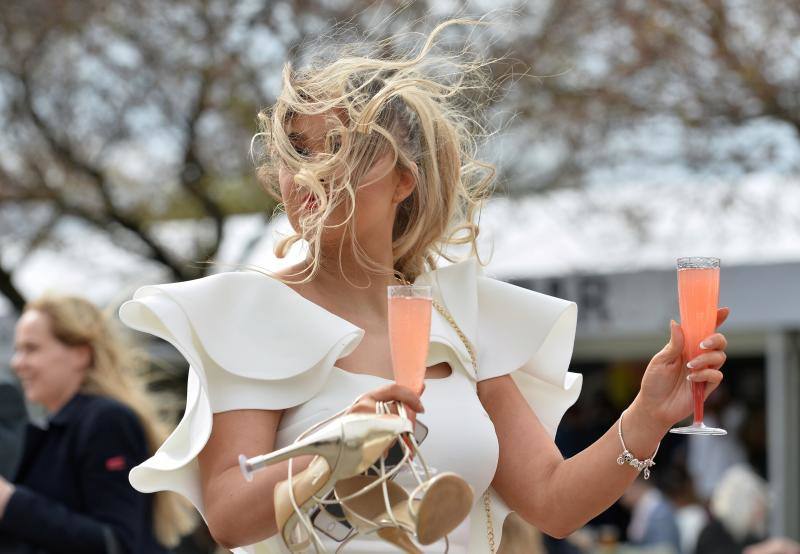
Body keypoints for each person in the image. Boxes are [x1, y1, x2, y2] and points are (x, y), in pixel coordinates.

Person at [118, 19, 730, 553]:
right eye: (295, 151)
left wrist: (649, 415)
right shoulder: (251, 312)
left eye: (341, 149)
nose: (311, 172)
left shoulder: (461, 315)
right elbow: (227, 517)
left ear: (404, 181)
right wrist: (332, 451)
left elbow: (553, 502)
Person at [0, 295, 196, 553]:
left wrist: (10, 502)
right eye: (18, 349)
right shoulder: (58, 430)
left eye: (31, 348)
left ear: (80, 354)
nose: (17, 363)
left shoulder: (107, 420)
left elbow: (116, 542)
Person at [620, 478, 682, 553]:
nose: (621, 498)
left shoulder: (660, 512)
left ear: (635, 486)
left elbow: (665, 549)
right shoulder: (643, 508)